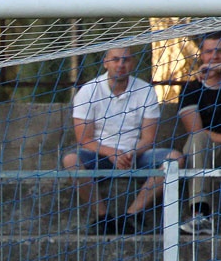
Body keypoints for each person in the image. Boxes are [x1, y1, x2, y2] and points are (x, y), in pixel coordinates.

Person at [62, 46, 184, 235]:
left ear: (132, 63)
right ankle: (103, 218)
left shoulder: (145, 90)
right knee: (70, 160)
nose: (120, 65)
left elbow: (148, 138)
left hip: (136, 155)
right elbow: (84, 140)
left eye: (125, 60)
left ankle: (131, 215)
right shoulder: (88, 91)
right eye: (115, 59)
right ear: (105, 62)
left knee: (175, 159)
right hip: (99, 155)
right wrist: (112, 153)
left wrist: (130, 153)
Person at [178, 31, 221, 236]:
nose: (215, 56)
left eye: (220, 51)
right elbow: (195, 130)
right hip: (206, 146)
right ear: (201, 56)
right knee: (198, 140)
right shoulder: (192, 88)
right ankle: (200, 214)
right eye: (209, 52)